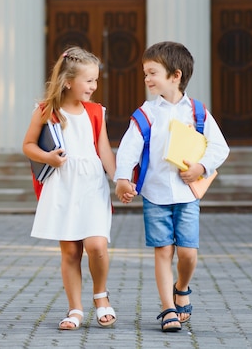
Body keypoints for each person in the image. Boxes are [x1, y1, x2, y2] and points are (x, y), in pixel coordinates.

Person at [114, 41, 229, 332]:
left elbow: (220, 147)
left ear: (175, 76)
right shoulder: (147, 113)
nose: (147, 79)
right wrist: (123, 178)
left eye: (152, 72)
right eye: (145, 73)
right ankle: (168, 309)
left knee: (188, 253)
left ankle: (182, 287)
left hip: (187, 195)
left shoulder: (198, 113)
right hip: (154, 194)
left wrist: (201, 167)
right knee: (163, 250)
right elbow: (129, 148)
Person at [23, 46, 117, 330]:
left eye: (95, 80)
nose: (94, 86)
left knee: (97, 245)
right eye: (88, 81)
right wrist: (48, 157)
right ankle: (75, 308)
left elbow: (104, 151)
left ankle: (100, 296)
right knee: (71, 252)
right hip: (63, 185)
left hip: (91, 184)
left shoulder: (96, 112)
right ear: (67, 81)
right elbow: (27, 145)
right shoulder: (46, 111)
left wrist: (120, 180)